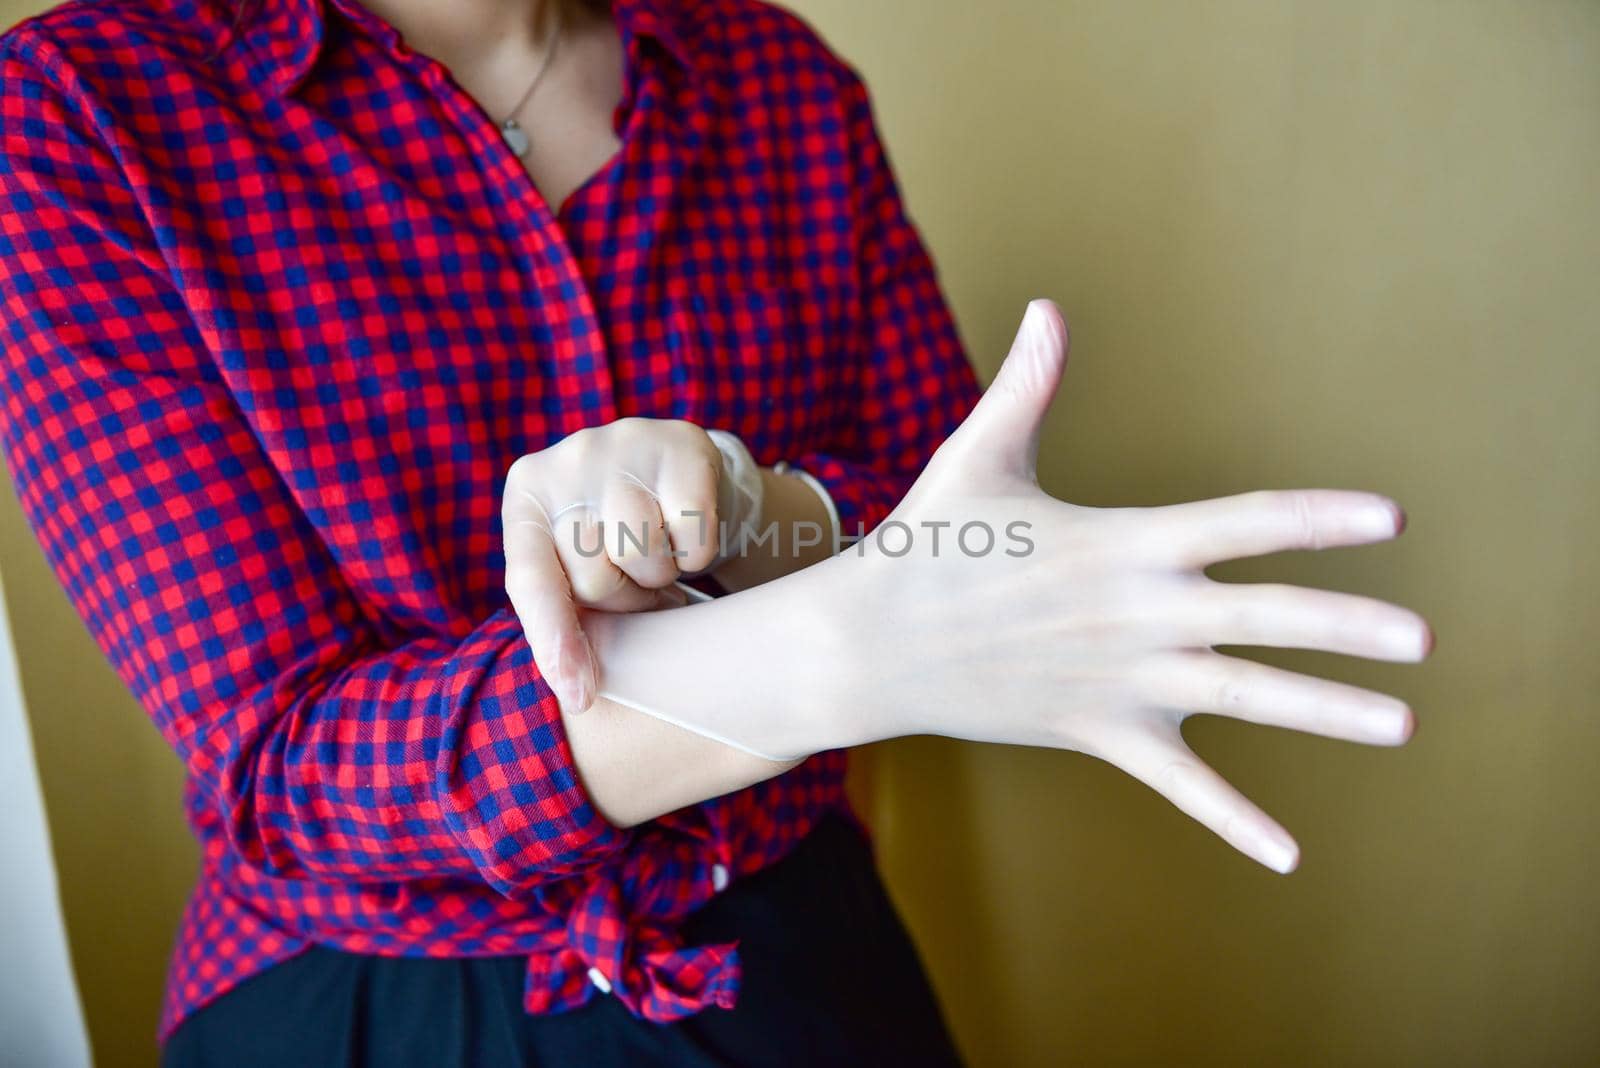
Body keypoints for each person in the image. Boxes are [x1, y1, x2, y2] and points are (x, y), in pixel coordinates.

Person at [0, 0, 1431, 1064]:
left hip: (789, 943)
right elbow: (284, 761)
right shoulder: (81, 111)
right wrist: (816, 655)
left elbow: (951, 519)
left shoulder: (782, 84)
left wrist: (762, 511)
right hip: (371, 988)